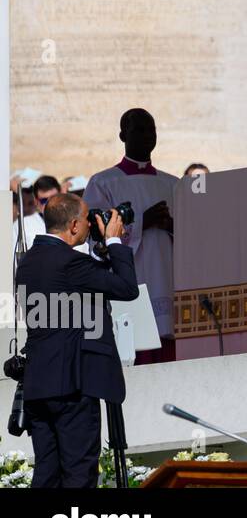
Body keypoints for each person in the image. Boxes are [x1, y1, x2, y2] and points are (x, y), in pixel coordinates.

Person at [16, 194, 137, 488]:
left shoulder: (29, 261)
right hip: (71, 386)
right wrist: (114, 243)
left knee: (47, 475)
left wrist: (97, 251)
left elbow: (77, 296)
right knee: (79, 473)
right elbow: (126, 288)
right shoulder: (70, 264)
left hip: (37, 386)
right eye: (85, 221)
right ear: (72, 225)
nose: (88, 225)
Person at [83, 109, 179, 363]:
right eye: (139, 130)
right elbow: (96, 241)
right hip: (129, 286)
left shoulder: (174, 184)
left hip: (168, 284)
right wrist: (141, 223)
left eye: (152, 130)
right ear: (123, 135)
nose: (147, 136)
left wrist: (172, 226)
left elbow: (194, 241)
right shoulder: (103, 183)